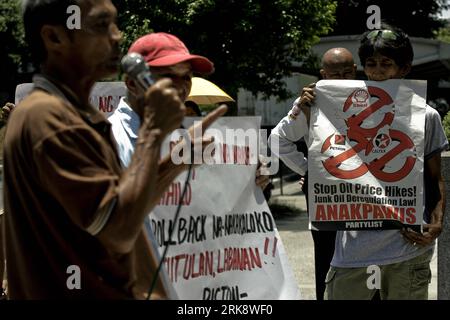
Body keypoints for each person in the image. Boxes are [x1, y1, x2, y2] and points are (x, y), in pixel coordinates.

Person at [3, 0, 224, 299]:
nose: (117, 36)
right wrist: (153, 133)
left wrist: (174, 161)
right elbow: (117, 231)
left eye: (115, 24)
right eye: (100, 25)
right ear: (54, 38)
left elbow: (119, 211)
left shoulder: (78, 118)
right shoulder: (49, 119)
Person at [322, 25, 447, 300]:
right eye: (371, 64)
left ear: (404, 69)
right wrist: (303, 110)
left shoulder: (426, 116)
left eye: (386, 64)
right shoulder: (339, 113)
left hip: (406, 249)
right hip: (352, 251)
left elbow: (435, 177)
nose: (378, 71)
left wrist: (436, 224)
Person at [269, 47, 356, 300]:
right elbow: (277, 140)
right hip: (325, 189)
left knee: (368, 254)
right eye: (334, 74)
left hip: (365, 188)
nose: (341, 79)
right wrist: (309, 168)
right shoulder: (310, 100)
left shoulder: (371, 95)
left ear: (355, 71)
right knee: (327, 254)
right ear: (323, 74)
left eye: (346, 73)